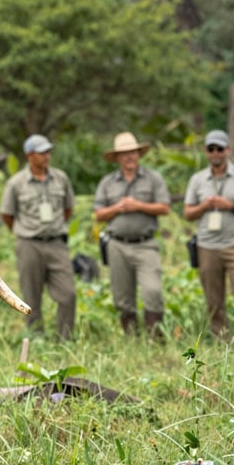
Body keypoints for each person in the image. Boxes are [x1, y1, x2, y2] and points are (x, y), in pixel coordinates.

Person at [94, 132, 170, 336]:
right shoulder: (108, 182)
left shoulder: (153, 178)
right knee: (122, 297)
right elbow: (99, 214)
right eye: (124, 153)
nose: (130, 156)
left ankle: (155, 338)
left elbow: (164, 208)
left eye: (133, 152)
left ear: (139, 154)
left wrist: (139, 205)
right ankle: (132, 339)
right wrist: (117, 208)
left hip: (146, 244)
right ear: (117, 157)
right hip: (117, 245)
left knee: (152, 290)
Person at [0, 134, 76, 339]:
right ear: (29, 156)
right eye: (42, 153)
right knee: (31, 295)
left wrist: (55, 226)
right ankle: (36, 338)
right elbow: (7, 214)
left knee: (68, 293)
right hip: (29, 244)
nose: (47, 156)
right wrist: (24, 231)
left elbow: (68, 209)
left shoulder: (61, 178)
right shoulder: (16, 183)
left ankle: (65, 338)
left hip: (56, 243)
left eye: (48, 152)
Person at [183, 129, 234, 338]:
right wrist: (204, 206)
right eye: (211, 148)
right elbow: (188, 213)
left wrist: (231, 206)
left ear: (227, 150)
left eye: (220, 148)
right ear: (206, 152)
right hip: (207, 246)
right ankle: (222, 343)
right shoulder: (197, 179)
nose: (215, 152)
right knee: (213, 301)